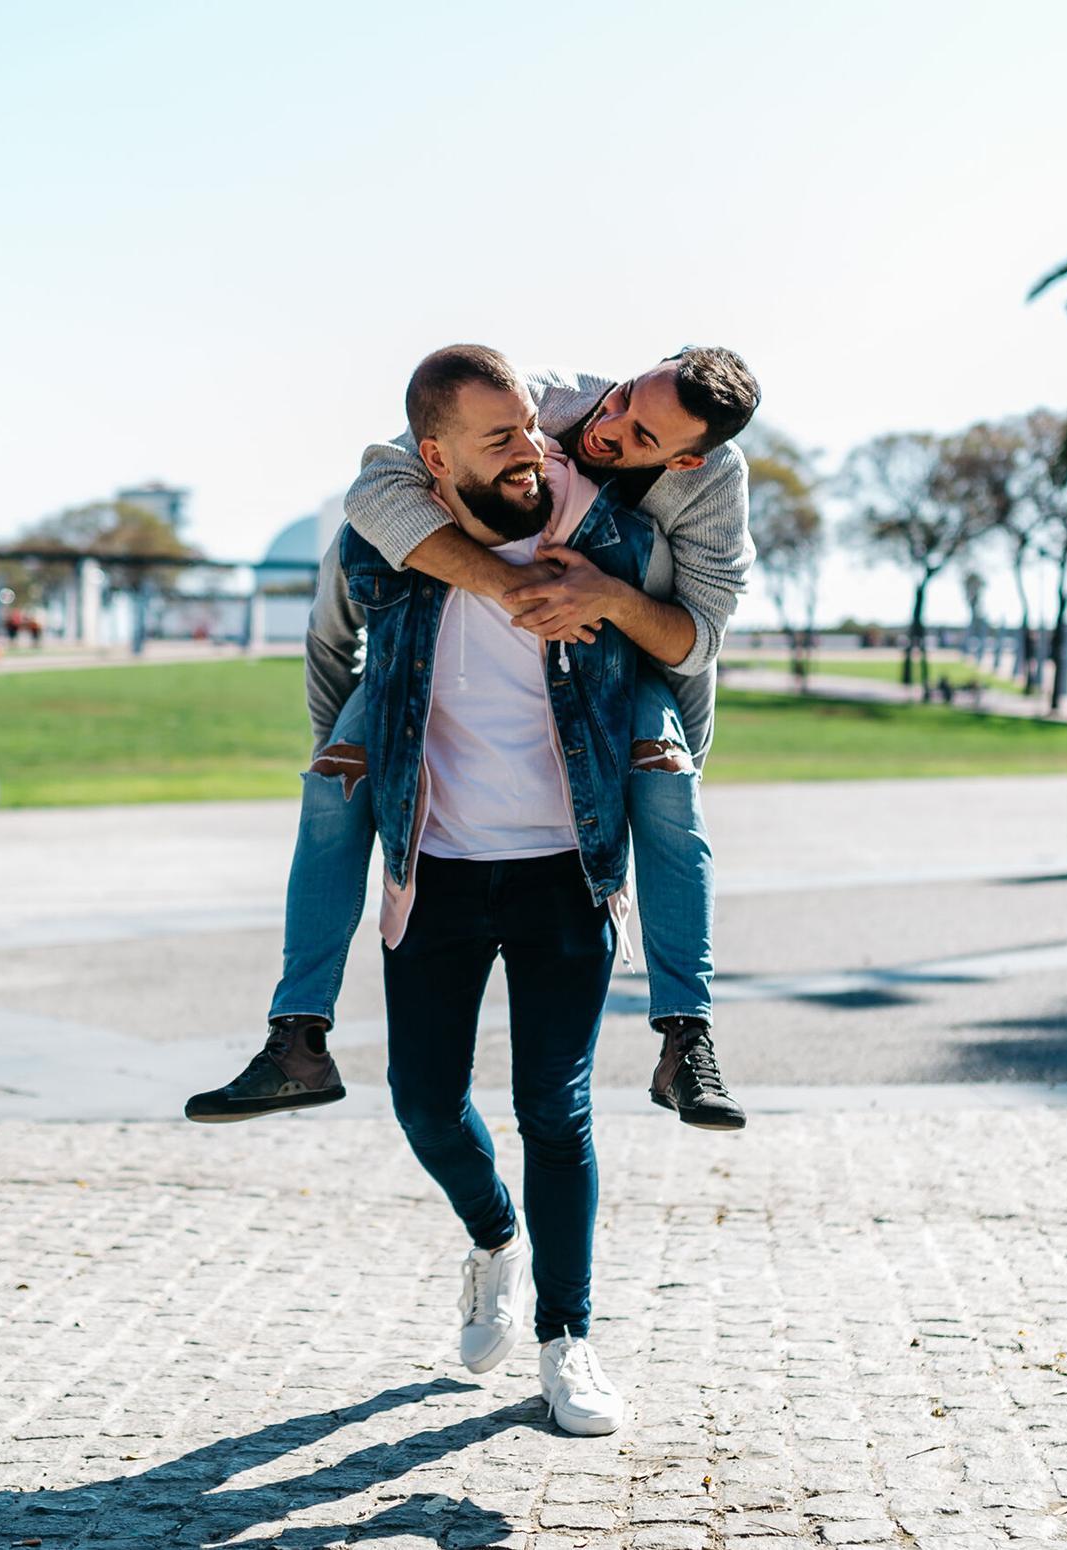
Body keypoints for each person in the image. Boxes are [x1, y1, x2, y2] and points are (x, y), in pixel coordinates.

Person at [186, 347, 760, 1130]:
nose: (611, 425)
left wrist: (617, 621)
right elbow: (375, 492)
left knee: (667, 780)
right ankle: (297, 1042)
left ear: (685, 459)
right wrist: (358, 750)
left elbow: (696, 644)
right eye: (626, 396)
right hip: (436, 660)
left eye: (641, 436)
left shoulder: (707, 489)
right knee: (334, 781)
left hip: (626, 660)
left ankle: (686, 1040)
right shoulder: (541, 400)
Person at [290, 347, 648, 1432]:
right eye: (499, 438)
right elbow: (329, 652)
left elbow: (687, 650)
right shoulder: (384, 546)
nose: (530, 449)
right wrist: (354, 764)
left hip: (565, 872)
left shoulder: (596, 537)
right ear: (434, 458)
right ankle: (494, 1238)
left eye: (528, 426)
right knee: (423, 1101)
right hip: (434, 871)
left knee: (556, 1107)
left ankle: (567, 1337)